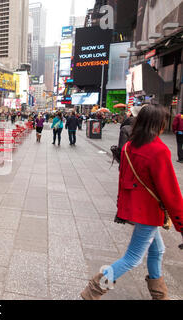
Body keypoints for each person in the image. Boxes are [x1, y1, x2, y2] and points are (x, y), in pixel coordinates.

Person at [81, 105, 183, 300]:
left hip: (136, 209)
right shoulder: (158, 150)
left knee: (158, 249)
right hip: (148, 212)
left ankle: (159, 294)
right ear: (157, 124)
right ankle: (94, 289)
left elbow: (124, 180)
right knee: (132, 258)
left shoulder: (130, 145)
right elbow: (170, 192)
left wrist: (123, 207)